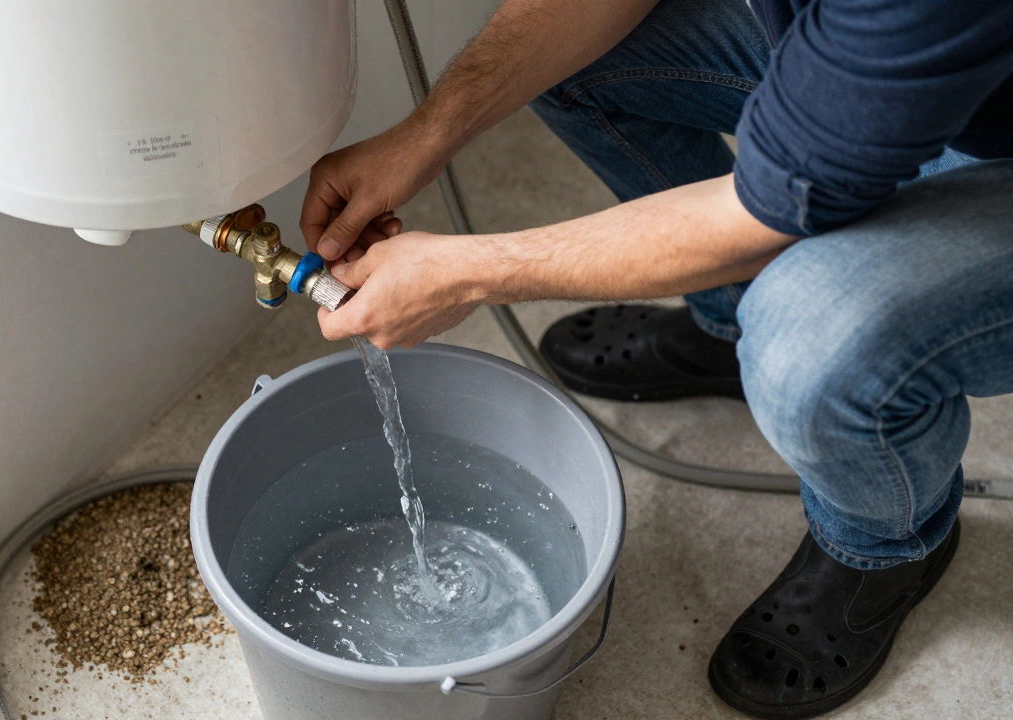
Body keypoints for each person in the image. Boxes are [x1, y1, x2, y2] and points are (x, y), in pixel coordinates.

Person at [298, 0, 1013, 716]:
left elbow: (766, 213)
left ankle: (888, 548)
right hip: (902, 71)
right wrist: (426, 134)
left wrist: (470, 273)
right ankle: (730, 332)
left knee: (809, 344)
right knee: (569, 60)